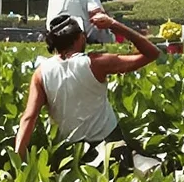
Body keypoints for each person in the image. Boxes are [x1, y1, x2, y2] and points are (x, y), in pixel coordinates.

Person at [14, 11, 161, 170]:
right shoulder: (96, 63)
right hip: (109, 147)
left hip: (70, 154)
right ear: (80, 38)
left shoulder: (41, 73)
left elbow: (28, 118)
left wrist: (18, 164)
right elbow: (152, 53)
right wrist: (114, 24)